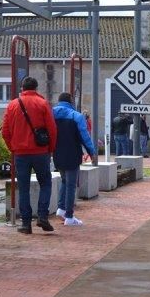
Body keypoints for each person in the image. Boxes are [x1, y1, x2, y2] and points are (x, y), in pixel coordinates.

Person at [1, 76, 58, 234]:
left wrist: (12, 148)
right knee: (45, 183)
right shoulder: (42, 103)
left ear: (22, 88)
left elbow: (5, 130)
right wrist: (50, 148)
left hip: (20, 153)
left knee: (23, 188)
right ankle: (42, 216)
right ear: (36, 88)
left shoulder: (12, 105)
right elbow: (52, 129)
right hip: (41, 152)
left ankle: (26, 224)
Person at [52, 92, 97, 226]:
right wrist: (92, 152)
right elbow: (85, 136)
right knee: (71, 185)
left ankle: (61, 208)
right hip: (72, 154)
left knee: (65, 181)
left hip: (57, 153)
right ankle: (69, 216)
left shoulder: (51, 114)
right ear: (71, 101)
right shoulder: (76, 116)